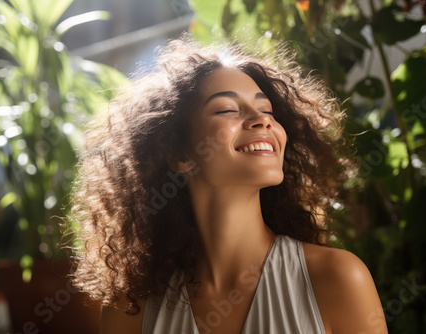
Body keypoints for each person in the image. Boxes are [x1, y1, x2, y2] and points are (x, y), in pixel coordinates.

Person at [70, 35, 388, 334]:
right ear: (177, 153)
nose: (263, 120)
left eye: (267, 110)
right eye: (227, 110)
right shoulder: (131, 310)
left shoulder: (338, 279)